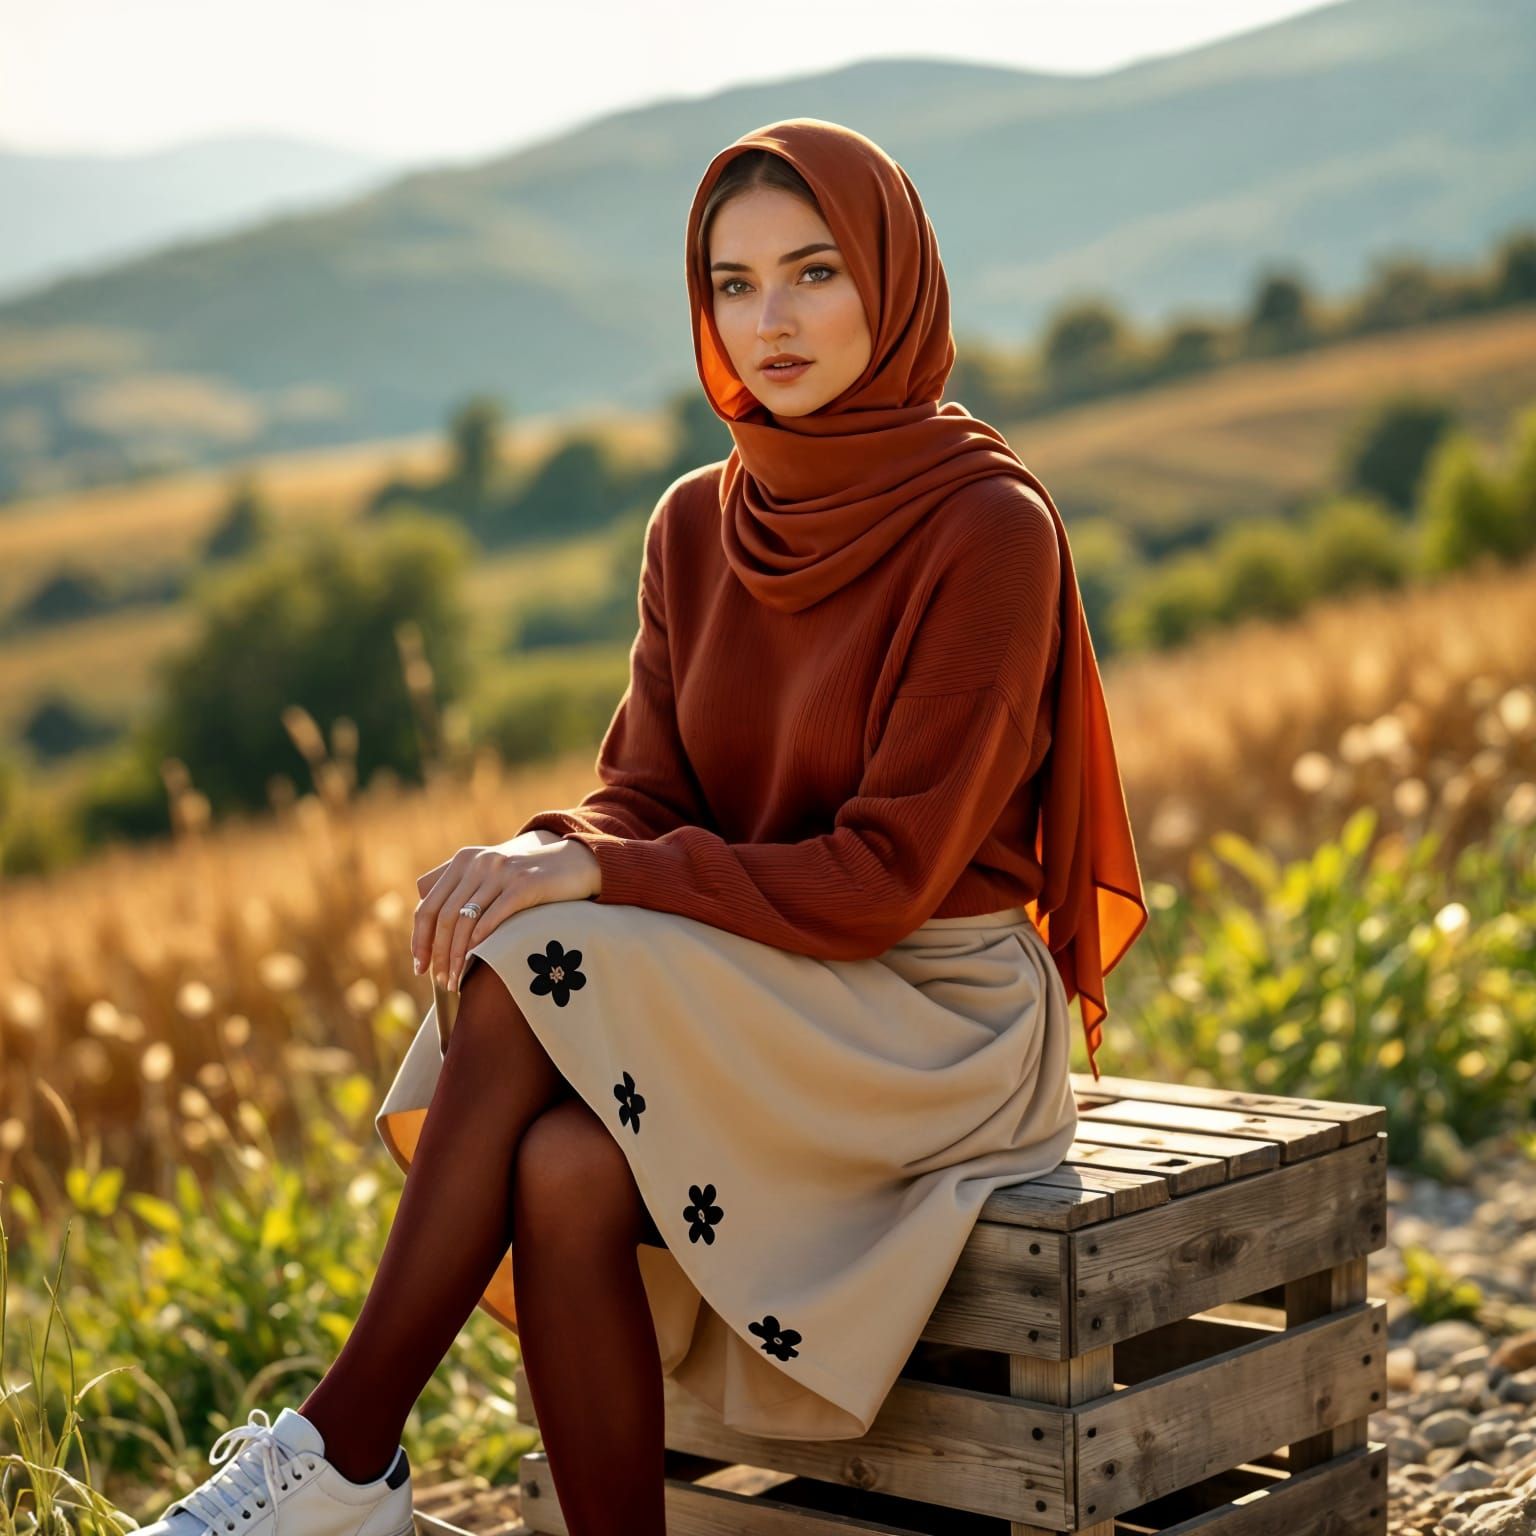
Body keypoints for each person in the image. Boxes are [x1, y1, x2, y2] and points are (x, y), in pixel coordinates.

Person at [137, 117, 1148, 1536]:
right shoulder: (694, 524)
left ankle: (345, 1449)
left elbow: (882, 880)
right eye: (733, 285)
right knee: (557, 1160)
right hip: (763, 980)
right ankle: (376, 1470)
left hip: (930, 1019)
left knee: (524, 951)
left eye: (813, 272)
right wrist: (561, 846)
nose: (771, 319)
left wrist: (589, 869)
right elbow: (644, 800)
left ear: (894, 281)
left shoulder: (987, 529)